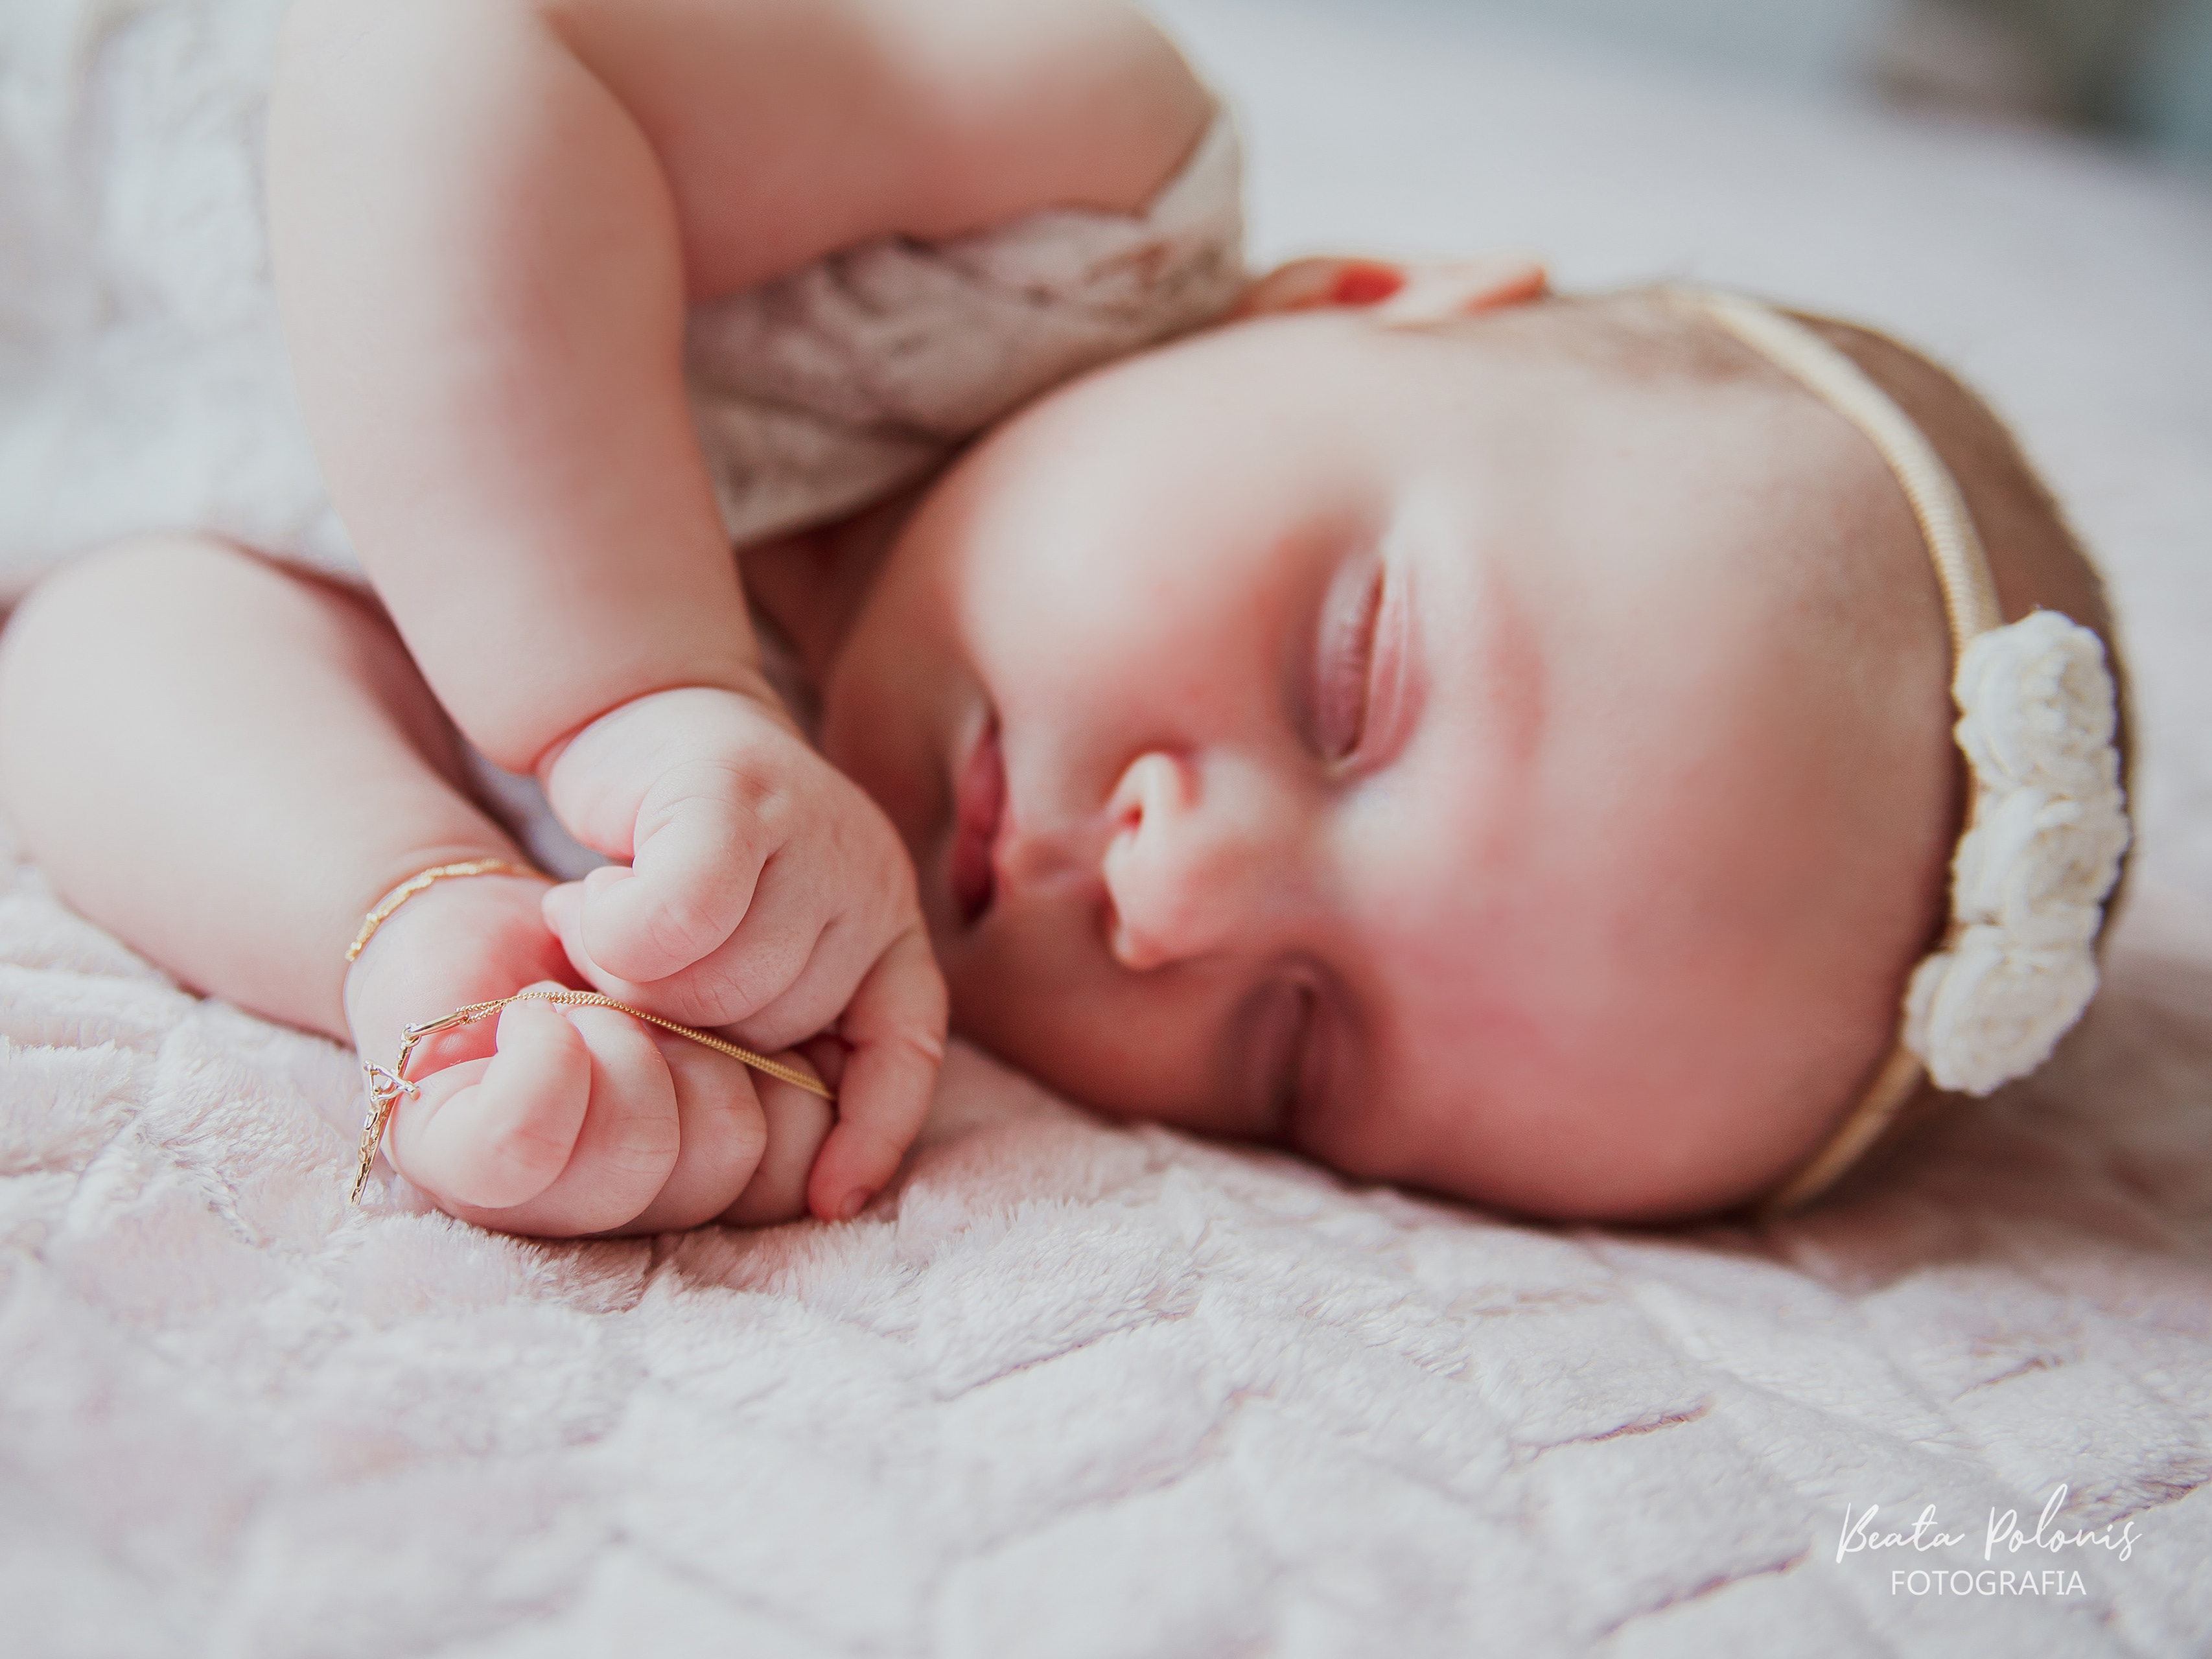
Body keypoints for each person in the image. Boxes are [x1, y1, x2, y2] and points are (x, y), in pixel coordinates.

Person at [0, 0, 2128, 1234]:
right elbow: (442, 57)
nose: (1171, 899)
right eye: (1350, 687)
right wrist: (638, 688)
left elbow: (101, 636)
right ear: (1354, 305)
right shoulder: (1066, 181)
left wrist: (418, 921)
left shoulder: (753, 897)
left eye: (1294, 1048)